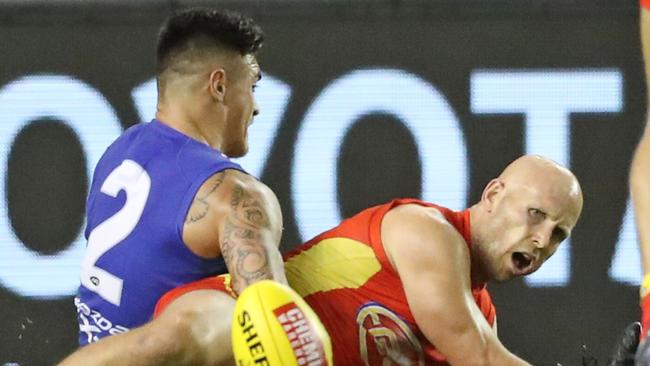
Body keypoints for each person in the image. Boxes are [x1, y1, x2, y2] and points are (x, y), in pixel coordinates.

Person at [155, 154, 584, 365]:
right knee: (197, 336)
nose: (544, 238)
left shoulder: (481, 318)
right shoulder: (427, 231)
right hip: (237, 322)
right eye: (536, 214)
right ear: (493, 196)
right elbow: (481, 356)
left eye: (559, 234)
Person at [58, 8, 287, 366]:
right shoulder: (234, 196)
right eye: (253, 87)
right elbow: (276, 340)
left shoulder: (119, 153)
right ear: (220, 86)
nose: (256, 108)